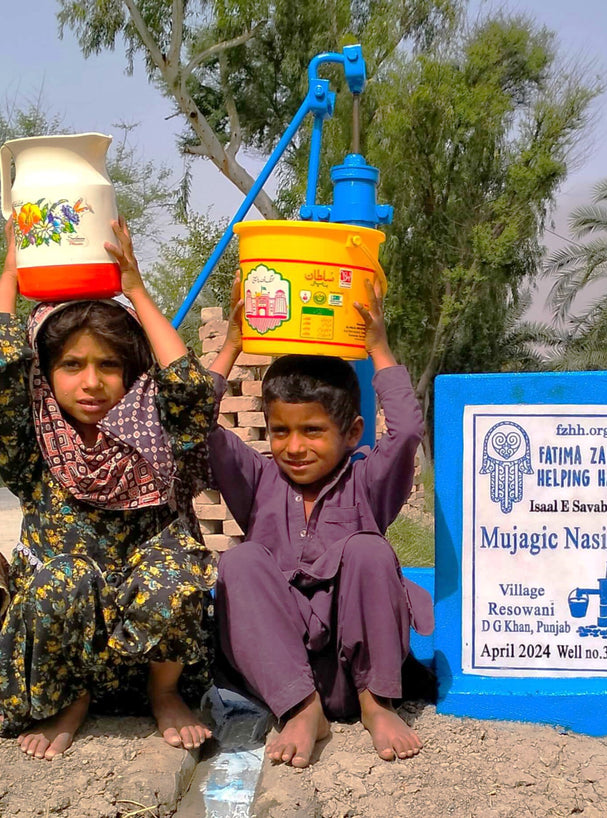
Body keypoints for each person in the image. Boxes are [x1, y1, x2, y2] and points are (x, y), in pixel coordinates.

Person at [0, 216, 216, 759]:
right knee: (63, 575)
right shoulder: (34, 450)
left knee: (180, 560)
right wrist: (12, 271)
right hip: (61, 660)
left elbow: (190, 389)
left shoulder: (155, 436)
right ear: (46, 375)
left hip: (149, 660)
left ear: (132, 371)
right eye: (71, 365)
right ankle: (69, 703)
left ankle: (164, 696)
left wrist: (135, 289)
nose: (91, 382)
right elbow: (1, 367)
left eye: (109, 365)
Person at [208, 274, 433, 768]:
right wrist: (230, 347)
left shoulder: (367, 483)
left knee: (369, 549)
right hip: (280, 674)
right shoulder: (257, 479)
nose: (293, 447)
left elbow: (408, 430)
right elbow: (192, 422)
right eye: (280, 431)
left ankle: (379, 705)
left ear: (352, 432)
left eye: (312, 431)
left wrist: (379, 348)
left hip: (352, 673)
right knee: (241, 560)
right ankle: (305, 713)